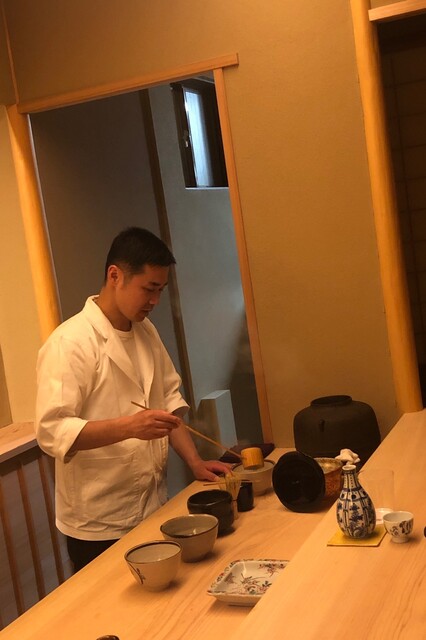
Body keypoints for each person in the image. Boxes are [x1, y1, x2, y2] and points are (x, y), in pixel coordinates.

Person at [35, 226, 230, 572]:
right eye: (149, 289)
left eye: (161, 291)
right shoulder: (70, 343)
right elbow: (52, 431)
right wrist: (130, 427)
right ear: (115, 276)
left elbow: (168, 402)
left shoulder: (145, 331)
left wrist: (195, 462)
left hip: (152, 505)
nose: (155, 301)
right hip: (99, 523)